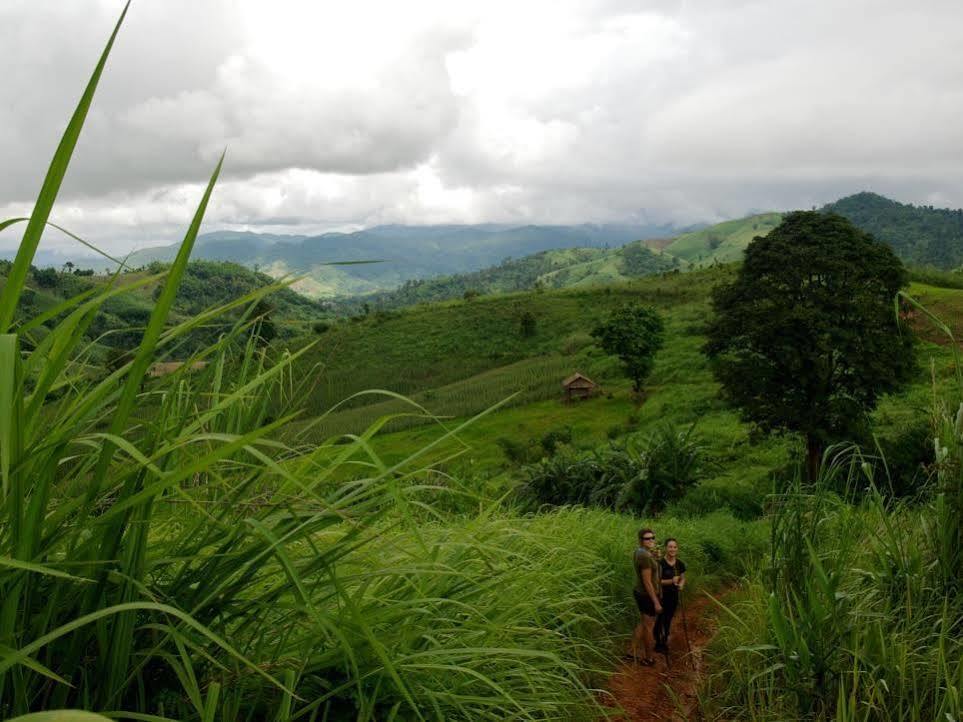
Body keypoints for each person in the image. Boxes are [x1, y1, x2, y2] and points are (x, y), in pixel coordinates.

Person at [631, 528, 662, 665]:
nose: (651, 540)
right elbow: (647, 582)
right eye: (647, 538)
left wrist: (654, 557)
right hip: (646, 595)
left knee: (644, 622)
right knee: (649, 626)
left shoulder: (642, 552)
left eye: (652, 538)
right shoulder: (644, 556)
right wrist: (656, 602)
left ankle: (631, 651)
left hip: (641, 592)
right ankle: (648, 658)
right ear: (640, 541)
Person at [654, 537, 686, 653]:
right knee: (660, 620)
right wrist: (671, 581)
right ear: (666, 548)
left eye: (674, 547)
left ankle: (664, 640)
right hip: (662, 596)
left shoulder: (679, 564)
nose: (672, 549)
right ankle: (658, 643)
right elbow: (657, 581)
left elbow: (682, 578)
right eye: (670, 547)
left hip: (674, 596)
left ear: (677, 549)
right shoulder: (660, 564)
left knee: (668, 619)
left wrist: (681, 585)